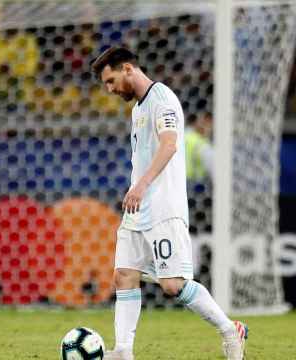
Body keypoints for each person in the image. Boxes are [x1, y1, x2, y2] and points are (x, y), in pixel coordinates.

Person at [90, 47, 248, 360]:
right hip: (138, 210)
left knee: (173, 285)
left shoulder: (162, 99)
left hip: (162, 208)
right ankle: (123, 351)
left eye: (111, 81)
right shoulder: (138, 108)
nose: (109, 90)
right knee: (124, 274)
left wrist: (142, 185)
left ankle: (230, 330)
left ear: (128, 69)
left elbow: (170, 144)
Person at [185, 111, 213, 181]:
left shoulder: (183, 135)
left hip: (179, 180)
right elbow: (212, 167)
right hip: (195, 183)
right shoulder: (201, 143)